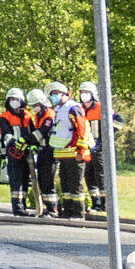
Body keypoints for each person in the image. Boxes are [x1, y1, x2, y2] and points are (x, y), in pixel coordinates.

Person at [46, 82, 83, 218]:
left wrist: (80, 150)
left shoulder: (73, 108)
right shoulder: (57, 109)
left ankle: (79, 213)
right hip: (62, 153)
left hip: (74, 152)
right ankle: (67, 211)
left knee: (75, 185)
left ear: (64, 94)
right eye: (52, 95)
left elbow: (81, 129)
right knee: (65, 185)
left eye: (56, 94)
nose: (54, 97)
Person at [0, 87, 35, 215]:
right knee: (16, 180)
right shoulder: (5, 117)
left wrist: (33, 145)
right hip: (14, 153)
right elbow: (6, 134)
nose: (14, 102)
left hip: (28, 153)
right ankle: (17, 208)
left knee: (25, 180)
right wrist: (16, 143)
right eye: (11, 99)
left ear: (22, 101)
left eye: (16, 99)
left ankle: (23, 206)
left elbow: (33, 132)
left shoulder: (28, 115)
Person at [77, 81, 108, 217]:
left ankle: (105, 203)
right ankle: (95, 202)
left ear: (92, 94)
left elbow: (118, 120)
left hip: (100, 148)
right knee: (88, 175)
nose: (84, 95)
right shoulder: (80, 109)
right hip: (87, 148)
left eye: (86, 92)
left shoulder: (102, 108)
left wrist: (107, 137)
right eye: (82, 92)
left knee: (100, 174)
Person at [26, 87, 58, 216]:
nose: (34, 108)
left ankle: (53, 209)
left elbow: (43, 132)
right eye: (33, 106)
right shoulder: (39, 116)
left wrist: (27, 140)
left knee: (48, 180)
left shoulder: (49, 115)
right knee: (43, 180)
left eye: (36, 105)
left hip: (50, 152)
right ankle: (48, 207)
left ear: (42, 103)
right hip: (43, 152)